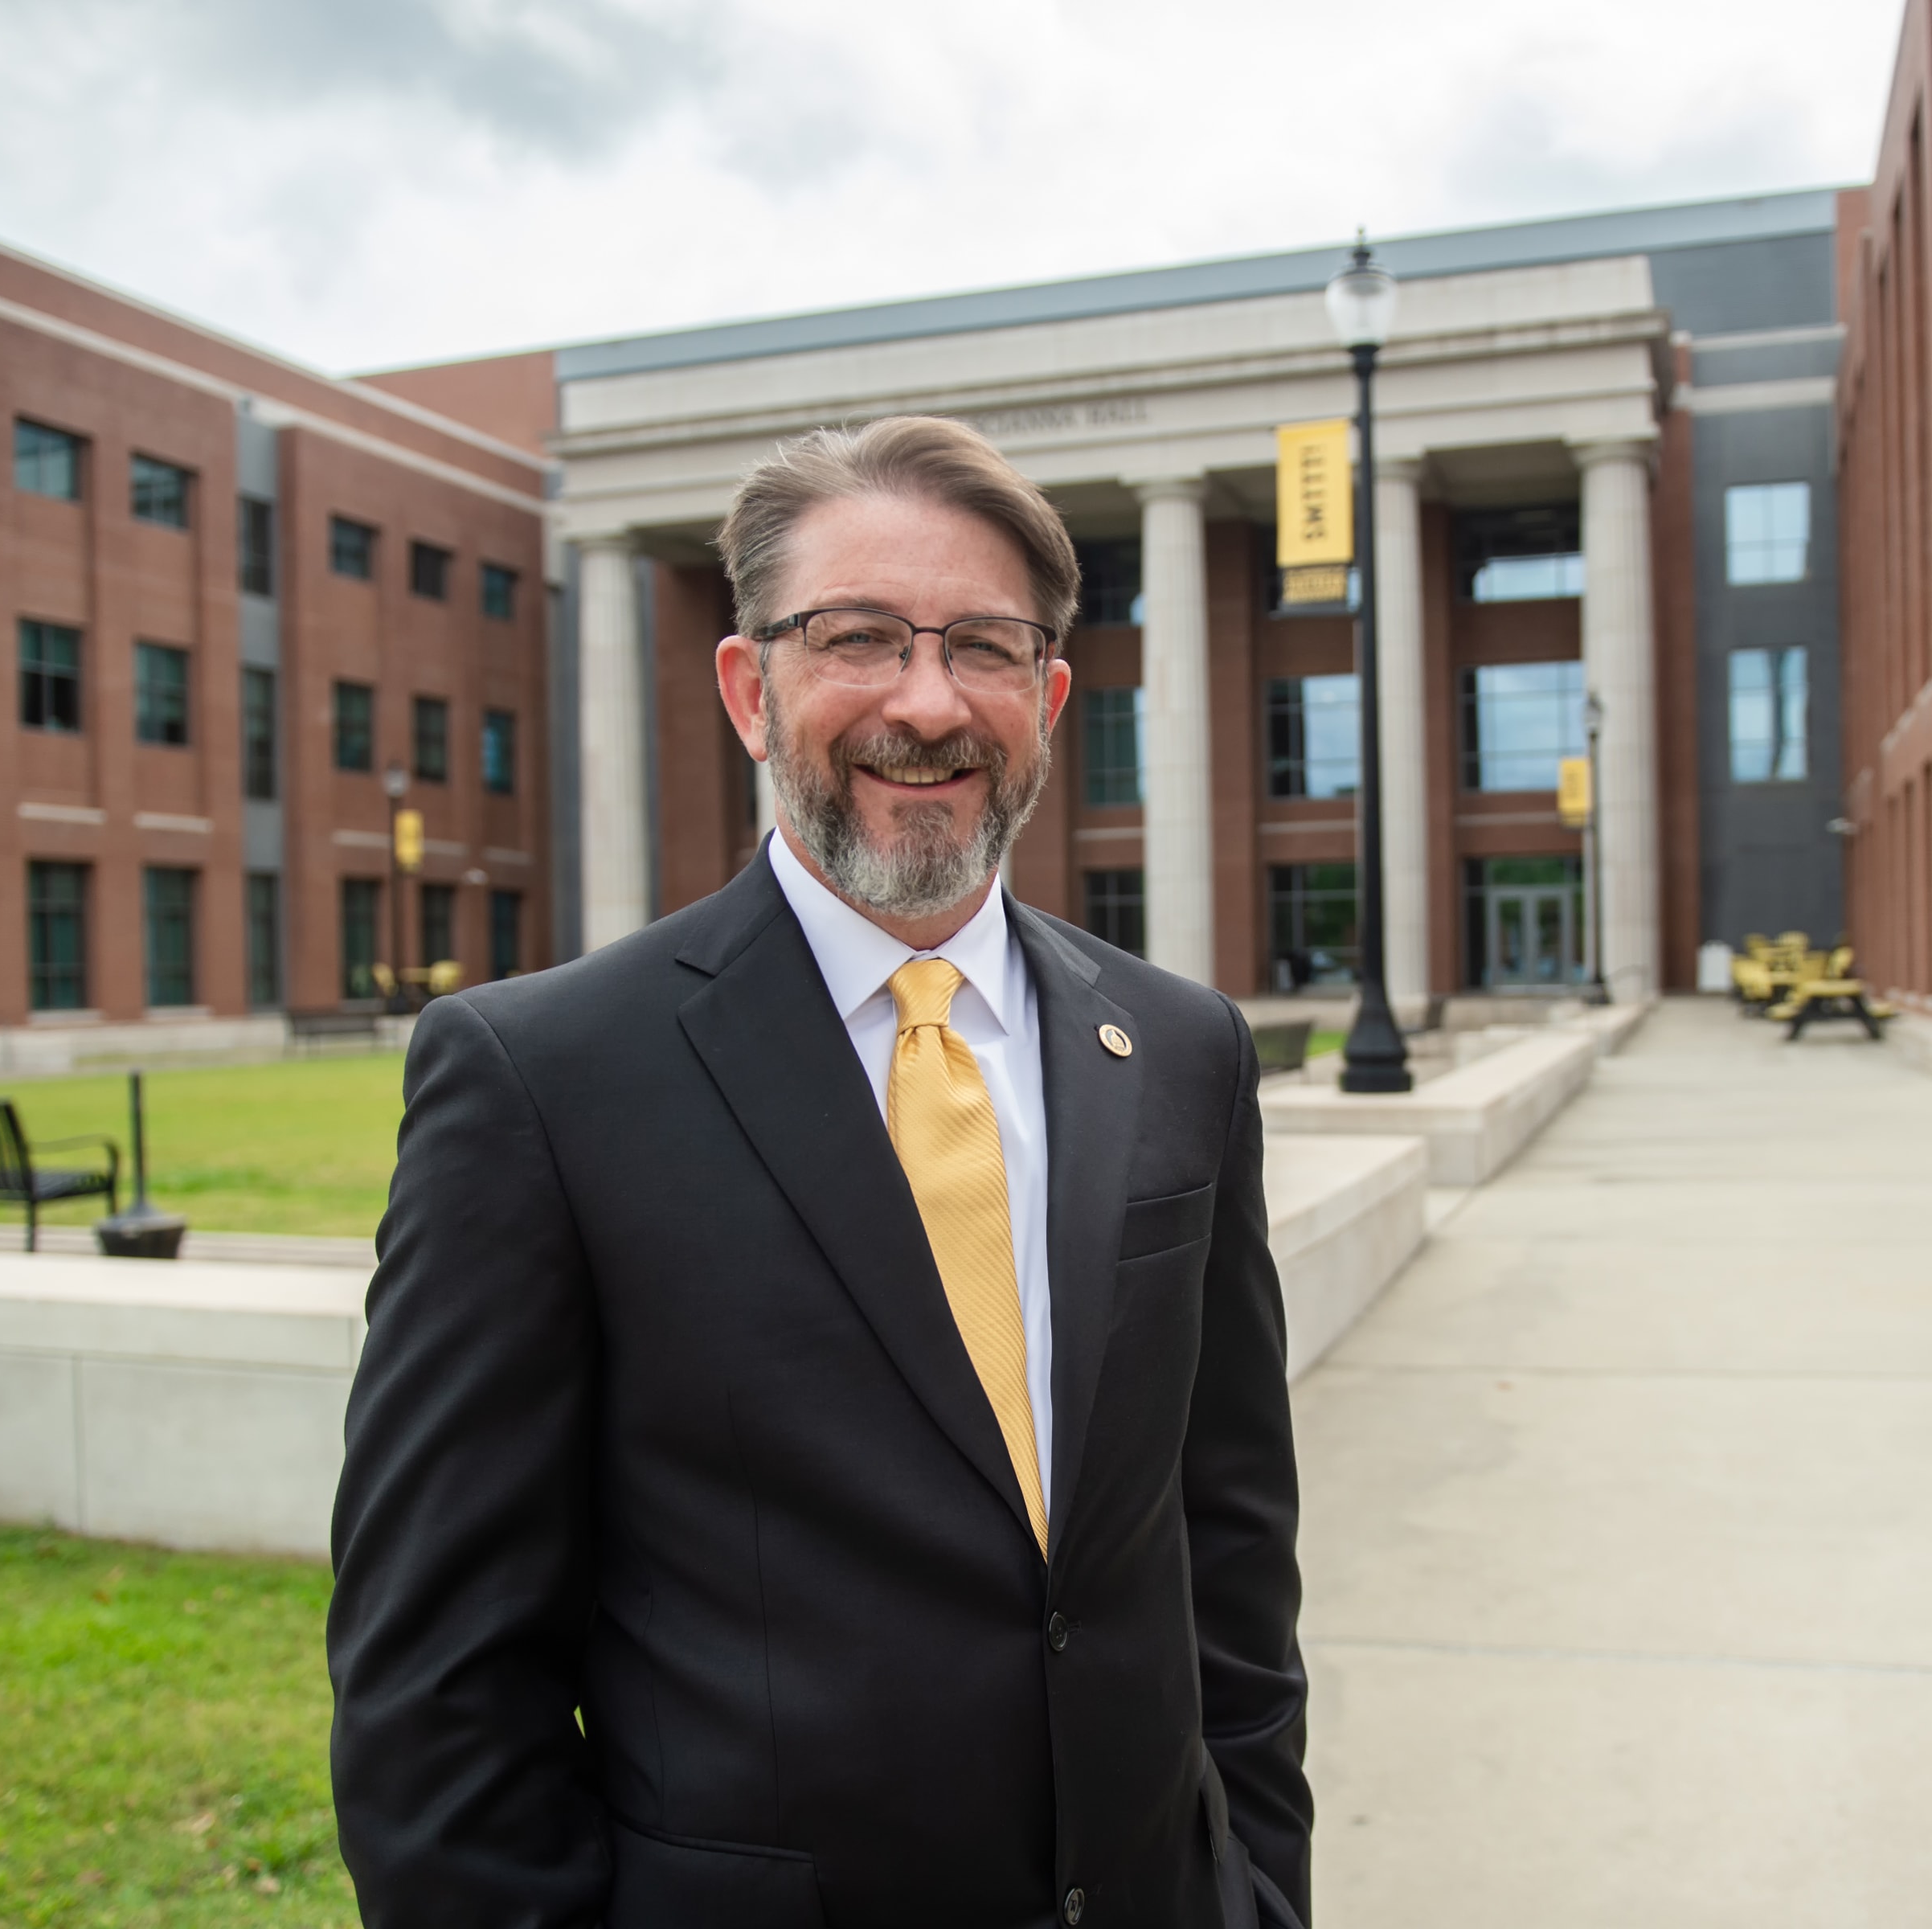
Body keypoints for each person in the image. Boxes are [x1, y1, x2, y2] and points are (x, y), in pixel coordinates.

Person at [328, 416, 1311, 1929]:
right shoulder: (541, 1078)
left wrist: (1262, 1892)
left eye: (983, 646)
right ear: (749, 686)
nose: (927, 702)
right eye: (857, 638)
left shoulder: (1181, 1048)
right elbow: (439, 1679)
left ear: (1046, 699)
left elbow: (1230, 1551)